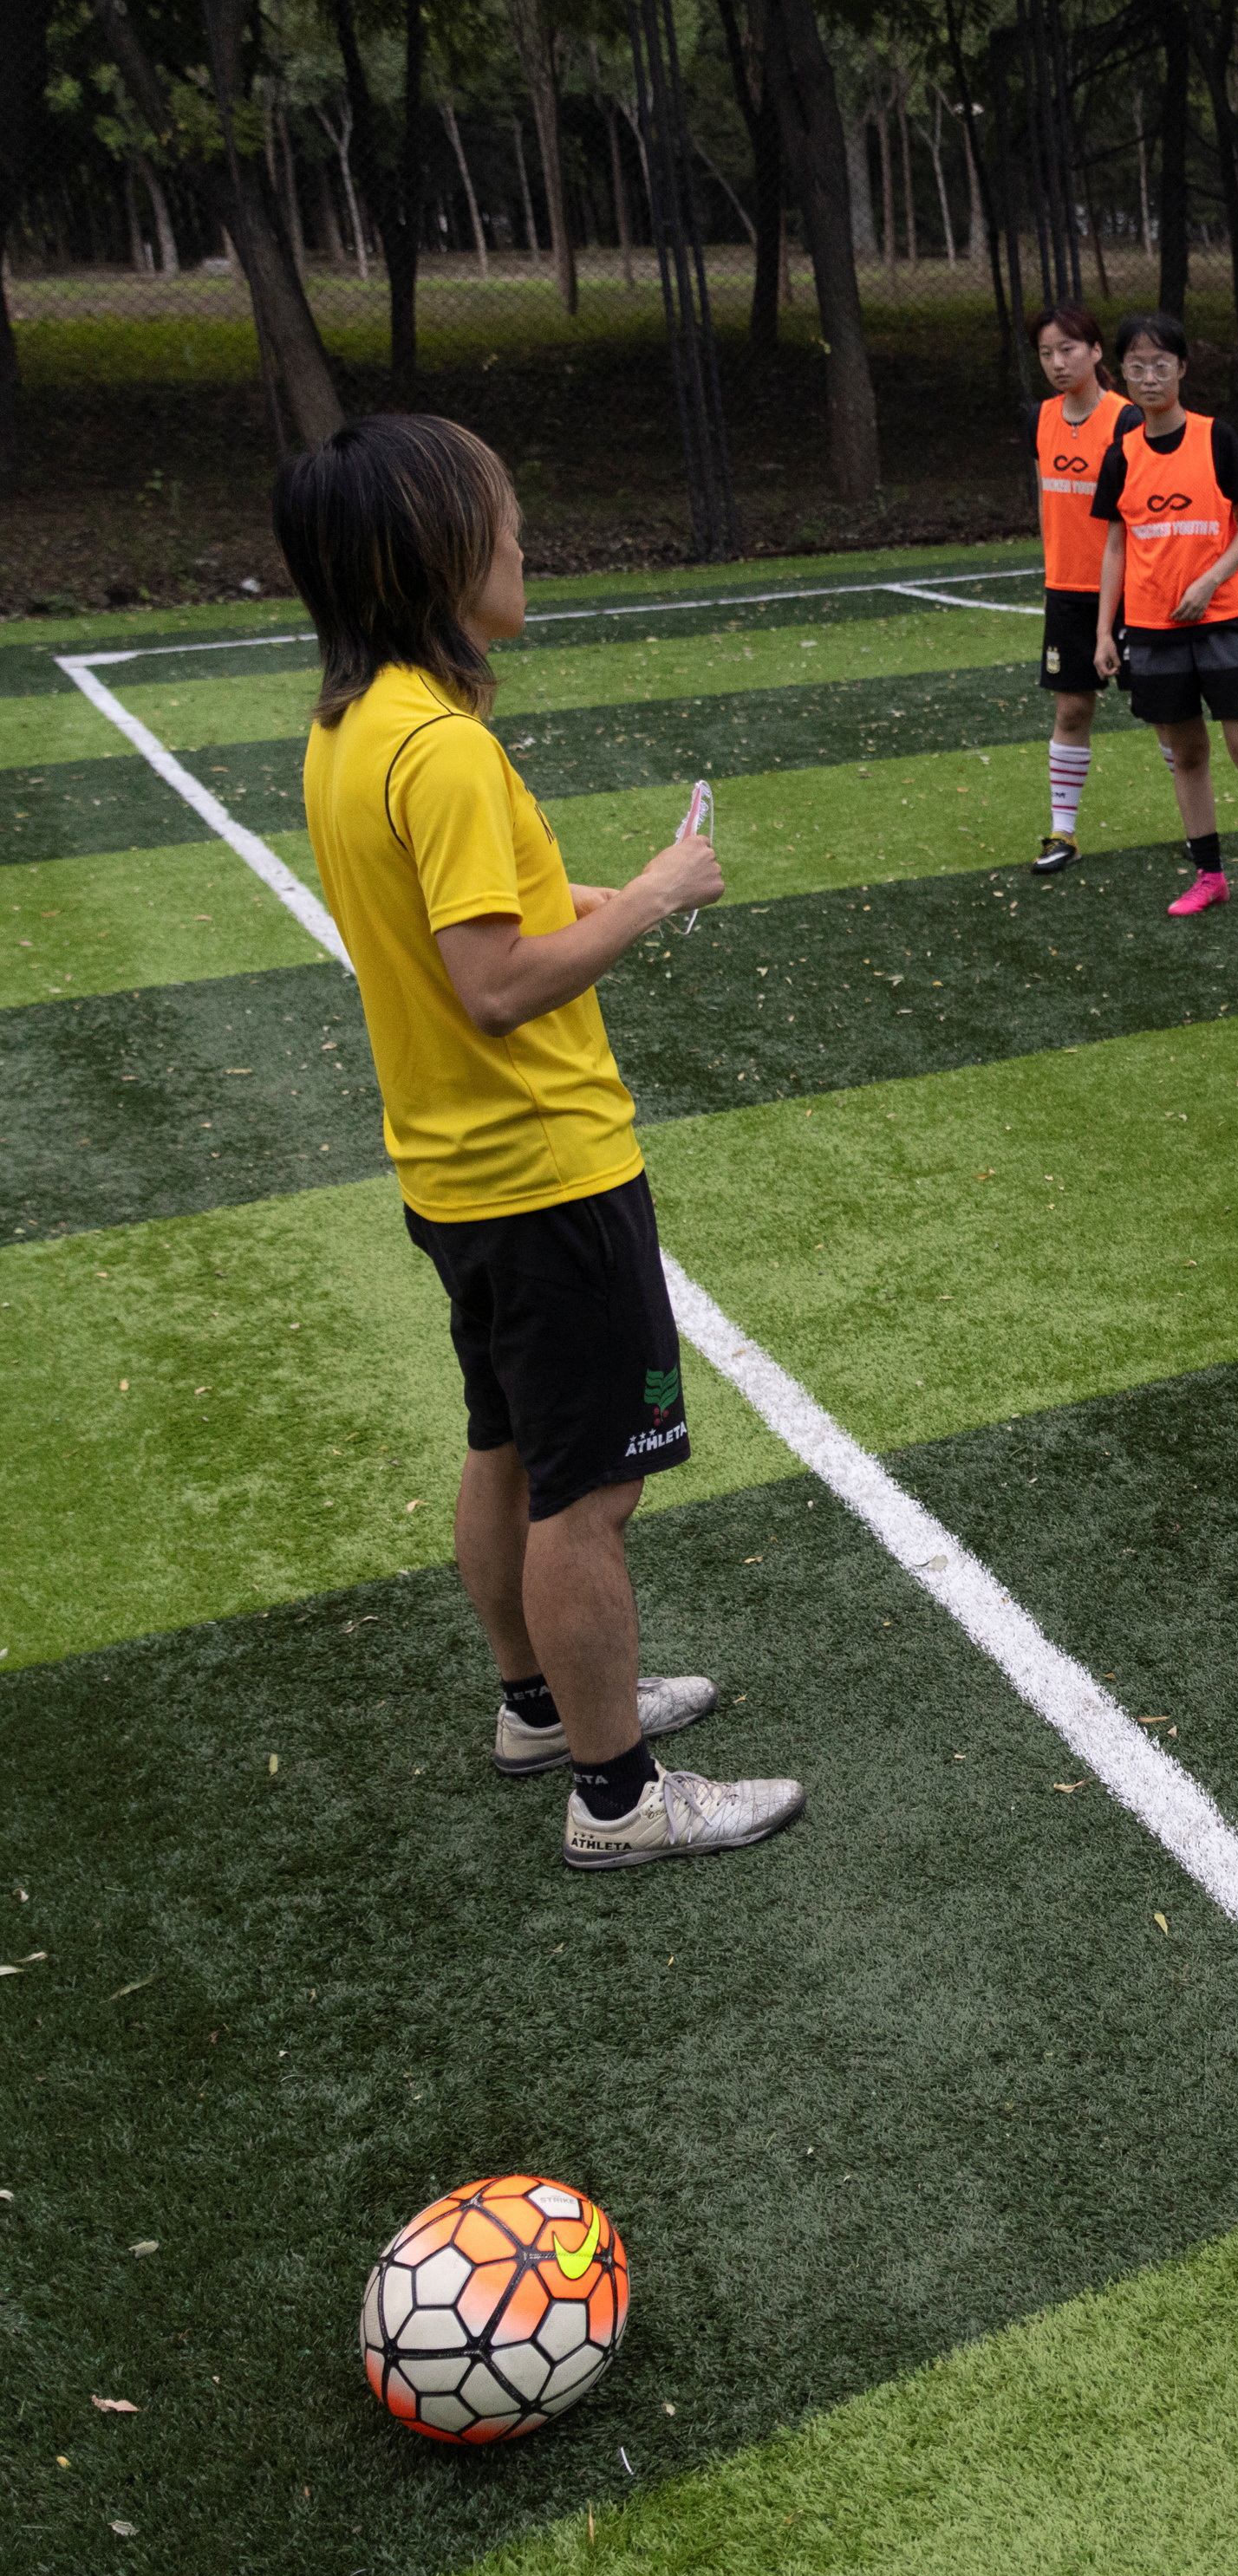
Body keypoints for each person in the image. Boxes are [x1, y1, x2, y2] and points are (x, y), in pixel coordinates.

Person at [272, 414, 803, 1873]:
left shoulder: (354, 726)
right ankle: (617, 1791)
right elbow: (494, 983)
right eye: (503, 523)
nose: (523, 545)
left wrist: (615, 888)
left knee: (505, 1442)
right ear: (437, 556)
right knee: (592, 1489)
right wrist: (659, 899)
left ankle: (541, 1708)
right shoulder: (441, 747)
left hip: (455, 1175)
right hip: (542, 1170)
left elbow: (486, 901)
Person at [1091, 309, 1238, 920]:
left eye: (1161, 364)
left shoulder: (1216, 437)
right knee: (1186, 754)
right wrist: (1106, 630)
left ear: (1182, 368)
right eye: (1136, 367)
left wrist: (1211, 580)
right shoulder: (1123, 452)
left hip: (1223, 618)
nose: (1149, 377)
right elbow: (1115, 544)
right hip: (1153, 630)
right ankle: (1209, 875)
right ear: (1123, 375)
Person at [1026, 302, 1125, 876]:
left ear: (1095, 351)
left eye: (1068, 349)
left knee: (1164, 710)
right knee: (1071, 708)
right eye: (1046, 353)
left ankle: (1198, 828)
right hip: (1067, 589)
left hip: (1131, 587)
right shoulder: (1039, 418)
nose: (1057, 362)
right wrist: (1053, 568)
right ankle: (1062, 832)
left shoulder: (1127, 419)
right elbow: (1047, 499)